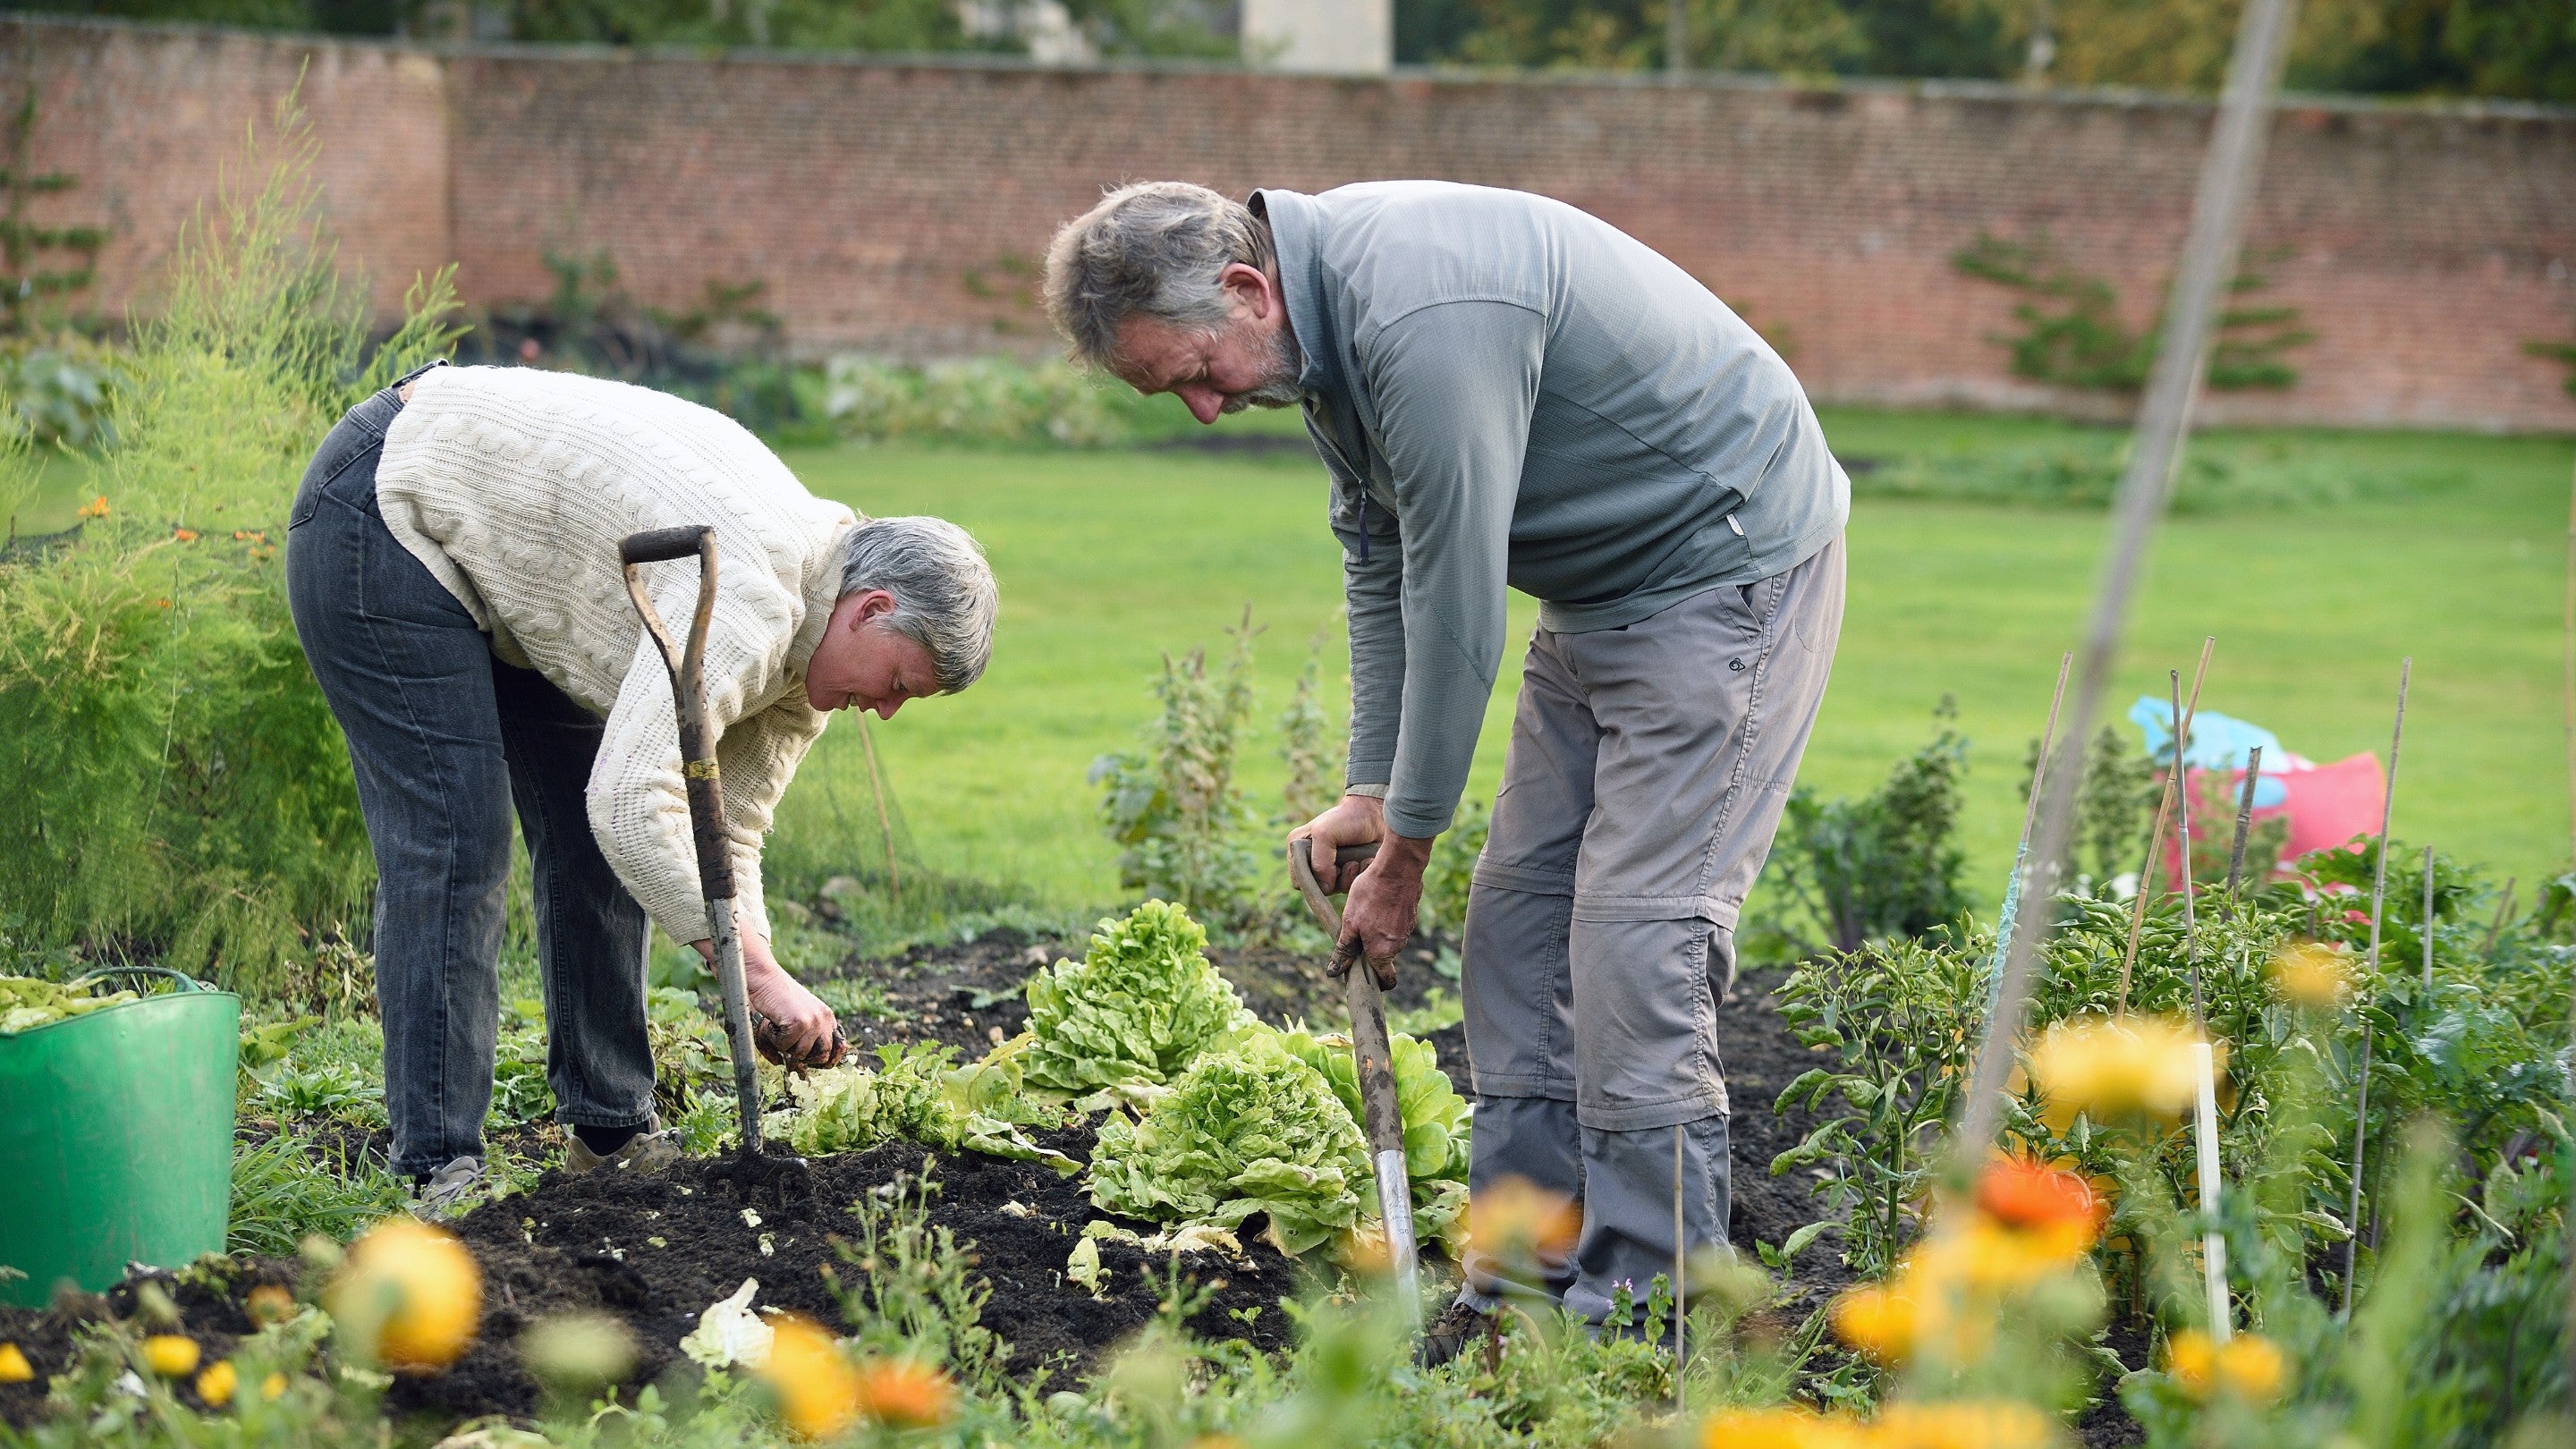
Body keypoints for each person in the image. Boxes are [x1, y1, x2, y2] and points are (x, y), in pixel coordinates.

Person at [1044, 181, 1847, 1358]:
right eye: (1174, 394)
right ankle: (1524, 1276)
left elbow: (1459, 599)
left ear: (1246, 289)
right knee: (1516, 926)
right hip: (1600, 592)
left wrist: (1406, 849)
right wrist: (1375, 789)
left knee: (1637, 935)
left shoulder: (1419, 318)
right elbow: (1380, 555)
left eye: (1196, 374)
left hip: (1723, 569)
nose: (1208, 410)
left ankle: (1642, 1310)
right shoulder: (1314, 332)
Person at [285, 361, 998, 1214]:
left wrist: (753, 985)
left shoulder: (813, 659)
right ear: (871, 608)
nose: (882, 712)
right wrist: (764, 976)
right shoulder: (751, 594)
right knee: (456, 841)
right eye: (897, 684)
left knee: (602, 846)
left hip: (512, 568)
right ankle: (437, 1165)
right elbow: (633, 803)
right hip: (387, 504)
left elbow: (722, 830)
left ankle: (611, 1130)